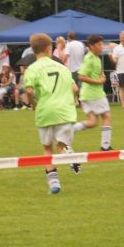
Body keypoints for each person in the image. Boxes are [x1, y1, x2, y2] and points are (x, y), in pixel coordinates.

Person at [21, 32, 79, 195]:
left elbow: (29, 91)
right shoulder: (62, 67)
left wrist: (33, 104)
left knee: (47, 148)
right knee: (61, 144)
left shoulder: (32, 69)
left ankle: (54, 183)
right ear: (49, 49)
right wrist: (73, 98)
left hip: (45, 110)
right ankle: (67, 152)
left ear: (34, 50)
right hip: (65, 111)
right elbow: (75, 88)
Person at [74, 35, 113, 151]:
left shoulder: (96, 58)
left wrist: (102, 76)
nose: (102, 47)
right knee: (107, 116)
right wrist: (98, 81)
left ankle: (70, 129)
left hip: (87, 95)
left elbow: (97, 73)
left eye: (102, 44)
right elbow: (81, 76)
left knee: (93, 122)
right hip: (94, 94)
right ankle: (105, 146)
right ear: (91, 46)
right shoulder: (89, 58)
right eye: (99, 45)